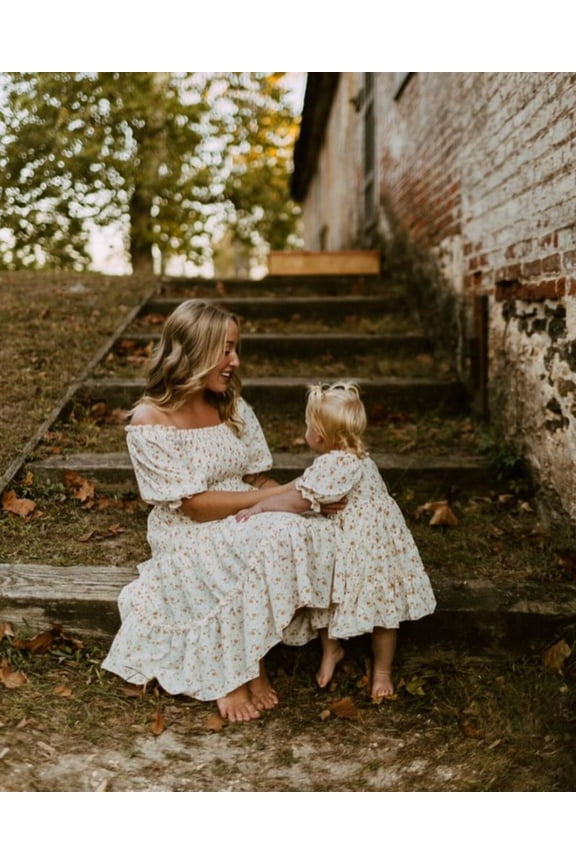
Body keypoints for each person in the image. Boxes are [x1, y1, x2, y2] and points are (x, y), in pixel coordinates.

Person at [102, 299, 340, 723]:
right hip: (189, 528)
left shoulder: (232, 406)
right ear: (192, 352)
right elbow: (194, 506)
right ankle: (237, 669)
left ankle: (252, 655)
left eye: (236, 348)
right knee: (275, 530)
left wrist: (304, 497)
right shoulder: (149, 419)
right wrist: (277, 499)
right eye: (225, 349)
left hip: (247, 512)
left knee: (312, 527)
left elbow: (257, 479)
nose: (235, 361)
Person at [235, 381, 437, 700]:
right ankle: (337, 652)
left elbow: (299, 500)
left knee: (373, 605)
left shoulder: (337, 462)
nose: (306, 431)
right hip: (362, 543)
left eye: (307, 425)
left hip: (369, 547)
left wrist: (260, 505)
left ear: (319, 435)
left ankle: (379, 670)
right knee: (339, 595)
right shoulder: (356, 457)